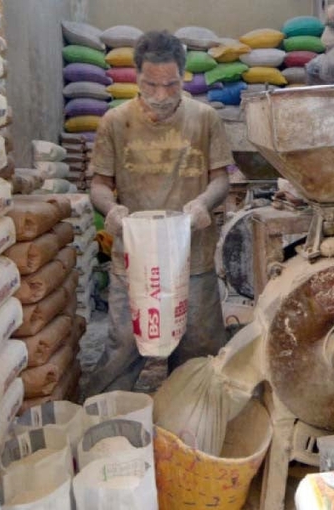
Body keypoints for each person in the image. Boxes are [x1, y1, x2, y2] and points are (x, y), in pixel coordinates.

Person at [86, 30, 234, 396]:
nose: (162, 95)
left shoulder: (204, 119)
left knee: (199, 356)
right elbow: (99, 185)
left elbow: (221, 180)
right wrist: (112, 209)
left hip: (192, 256)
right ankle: (104, 425)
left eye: (170, 85)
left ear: (183, 76)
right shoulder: (115, 122)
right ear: (137, 77)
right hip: (135, 259)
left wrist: (204, 203)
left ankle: (192, 428)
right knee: (123, 348)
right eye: (151, 85)